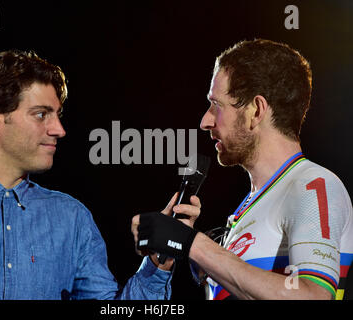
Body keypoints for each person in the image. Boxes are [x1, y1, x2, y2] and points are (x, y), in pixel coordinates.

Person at [0, 50, 189, 300]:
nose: (59, 129)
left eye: (57, 115)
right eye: (41, 114)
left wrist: (158, 261)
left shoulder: (72, 218)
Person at [133, 39, 353, 300]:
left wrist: (194, 244)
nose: (205, 121)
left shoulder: (313, 184)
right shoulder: (254, 204)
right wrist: (170, 253)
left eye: (217, 104)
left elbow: (314, 297)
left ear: (256, 110)